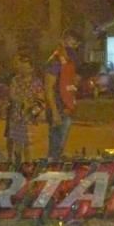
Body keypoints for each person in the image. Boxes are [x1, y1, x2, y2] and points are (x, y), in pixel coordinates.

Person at [45, 30, 81, 161]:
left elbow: (69, 86)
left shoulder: (70, 62)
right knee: (54, 146)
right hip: (57, 109)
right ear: (62, 41)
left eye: (75, 44)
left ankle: (55, 169)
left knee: (60, 147)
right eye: (70, 42)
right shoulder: (55, 61)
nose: (72, 47)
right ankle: (49, 172)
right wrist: (54, 112)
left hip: (66, 108)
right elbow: (48, 87)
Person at [7, 54, 45, 164]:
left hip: (30, 118)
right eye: (21, 67)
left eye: (26, 67)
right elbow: (12, 95)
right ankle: (17, 166)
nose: (23, 70)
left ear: (32, 69)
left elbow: (41, 101)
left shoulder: (36, 83)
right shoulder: (15, 80)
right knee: (17, 145)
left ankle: (29, 166)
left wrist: (34, 112)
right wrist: (22, 101)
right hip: (16, 116)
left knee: (28, 145)